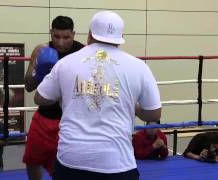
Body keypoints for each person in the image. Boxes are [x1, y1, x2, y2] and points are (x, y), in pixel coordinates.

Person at [34, 11, 161, 180]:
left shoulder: (65, 63)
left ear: (89, 34)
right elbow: (153, 114)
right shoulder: (139, 67)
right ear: (120, 37)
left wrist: (52, 82)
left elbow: (40, 98)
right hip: (117, 163)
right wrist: (131, 105)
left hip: (71, 160)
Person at [23, 16, 84, 180]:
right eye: (56, 37)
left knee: (66, 165)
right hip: (43, 117)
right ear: (51, 33)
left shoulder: (83, 54)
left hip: (71, 120)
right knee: (32, 160)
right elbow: (29, 87)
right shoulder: (40, 50)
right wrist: (40, 72)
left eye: (66, 37)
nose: (61, 42)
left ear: (74, 34)